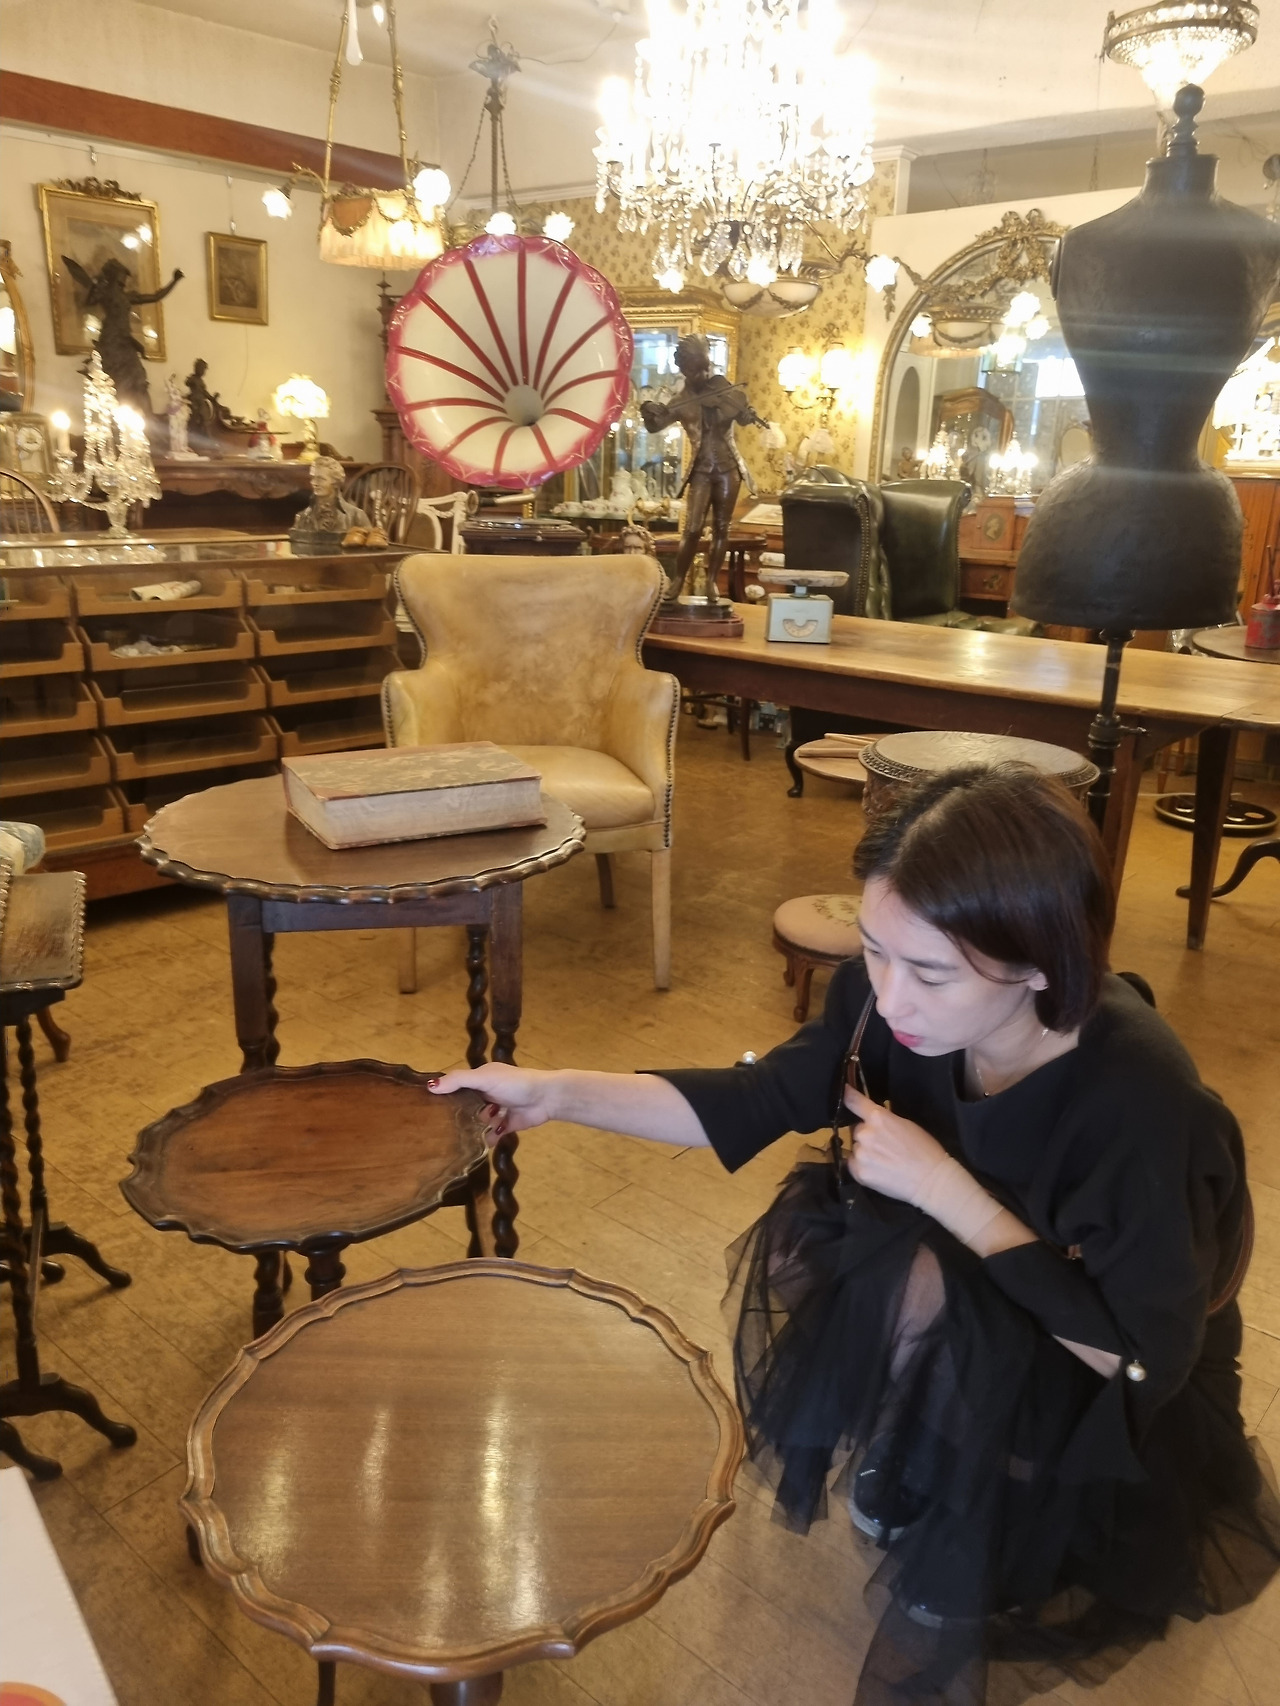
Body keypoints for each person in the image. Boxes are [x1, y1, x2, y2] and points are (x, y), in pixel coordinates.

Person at [434, 764, 1280, 1703]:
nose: (892, 997)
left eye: (932, 973)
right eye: (875, 951)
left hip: (1102, 1361)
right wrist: (553, 1092)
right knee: (837, 1245)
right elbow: (756, 1097)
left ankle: (981, 1498)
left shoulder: (1139, 1103)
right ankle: (931, 1450)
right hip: (992, 1278)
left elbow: (1140, 1362)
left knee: (916, 1279)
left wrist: (948, 1190)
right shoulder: (887, 1009)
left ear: (1044, 961)